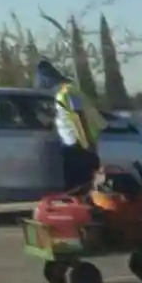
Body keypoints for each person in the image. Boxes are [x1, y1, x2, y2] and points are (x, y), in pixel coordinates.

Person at [35, 59, 104, 193]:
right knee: (75, 183)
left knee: (80, 183)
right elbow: (62, 116)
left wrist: (86, 142)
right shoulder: (60, 95)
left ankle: (84, 210)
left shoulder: (67, 92)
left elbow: (79, 116)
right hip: (71, 144)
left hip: (78, 144)